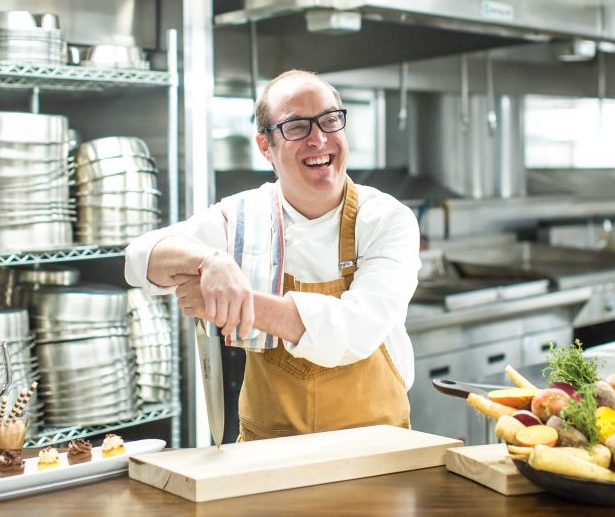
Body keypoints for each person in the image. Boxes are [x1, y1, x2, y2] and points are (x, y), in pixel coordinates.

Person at [124, 69, 421, 441]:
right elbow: (138, 258)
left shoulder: (386, 219)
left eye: (330, 120)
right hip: (267, 450)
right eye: (296, 126)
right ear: (266, 147)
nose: (319, 139)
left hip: (377, 445)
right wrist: (208, 263)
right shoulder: (245, 218)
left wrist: (238, 302)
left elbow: (354, 330)